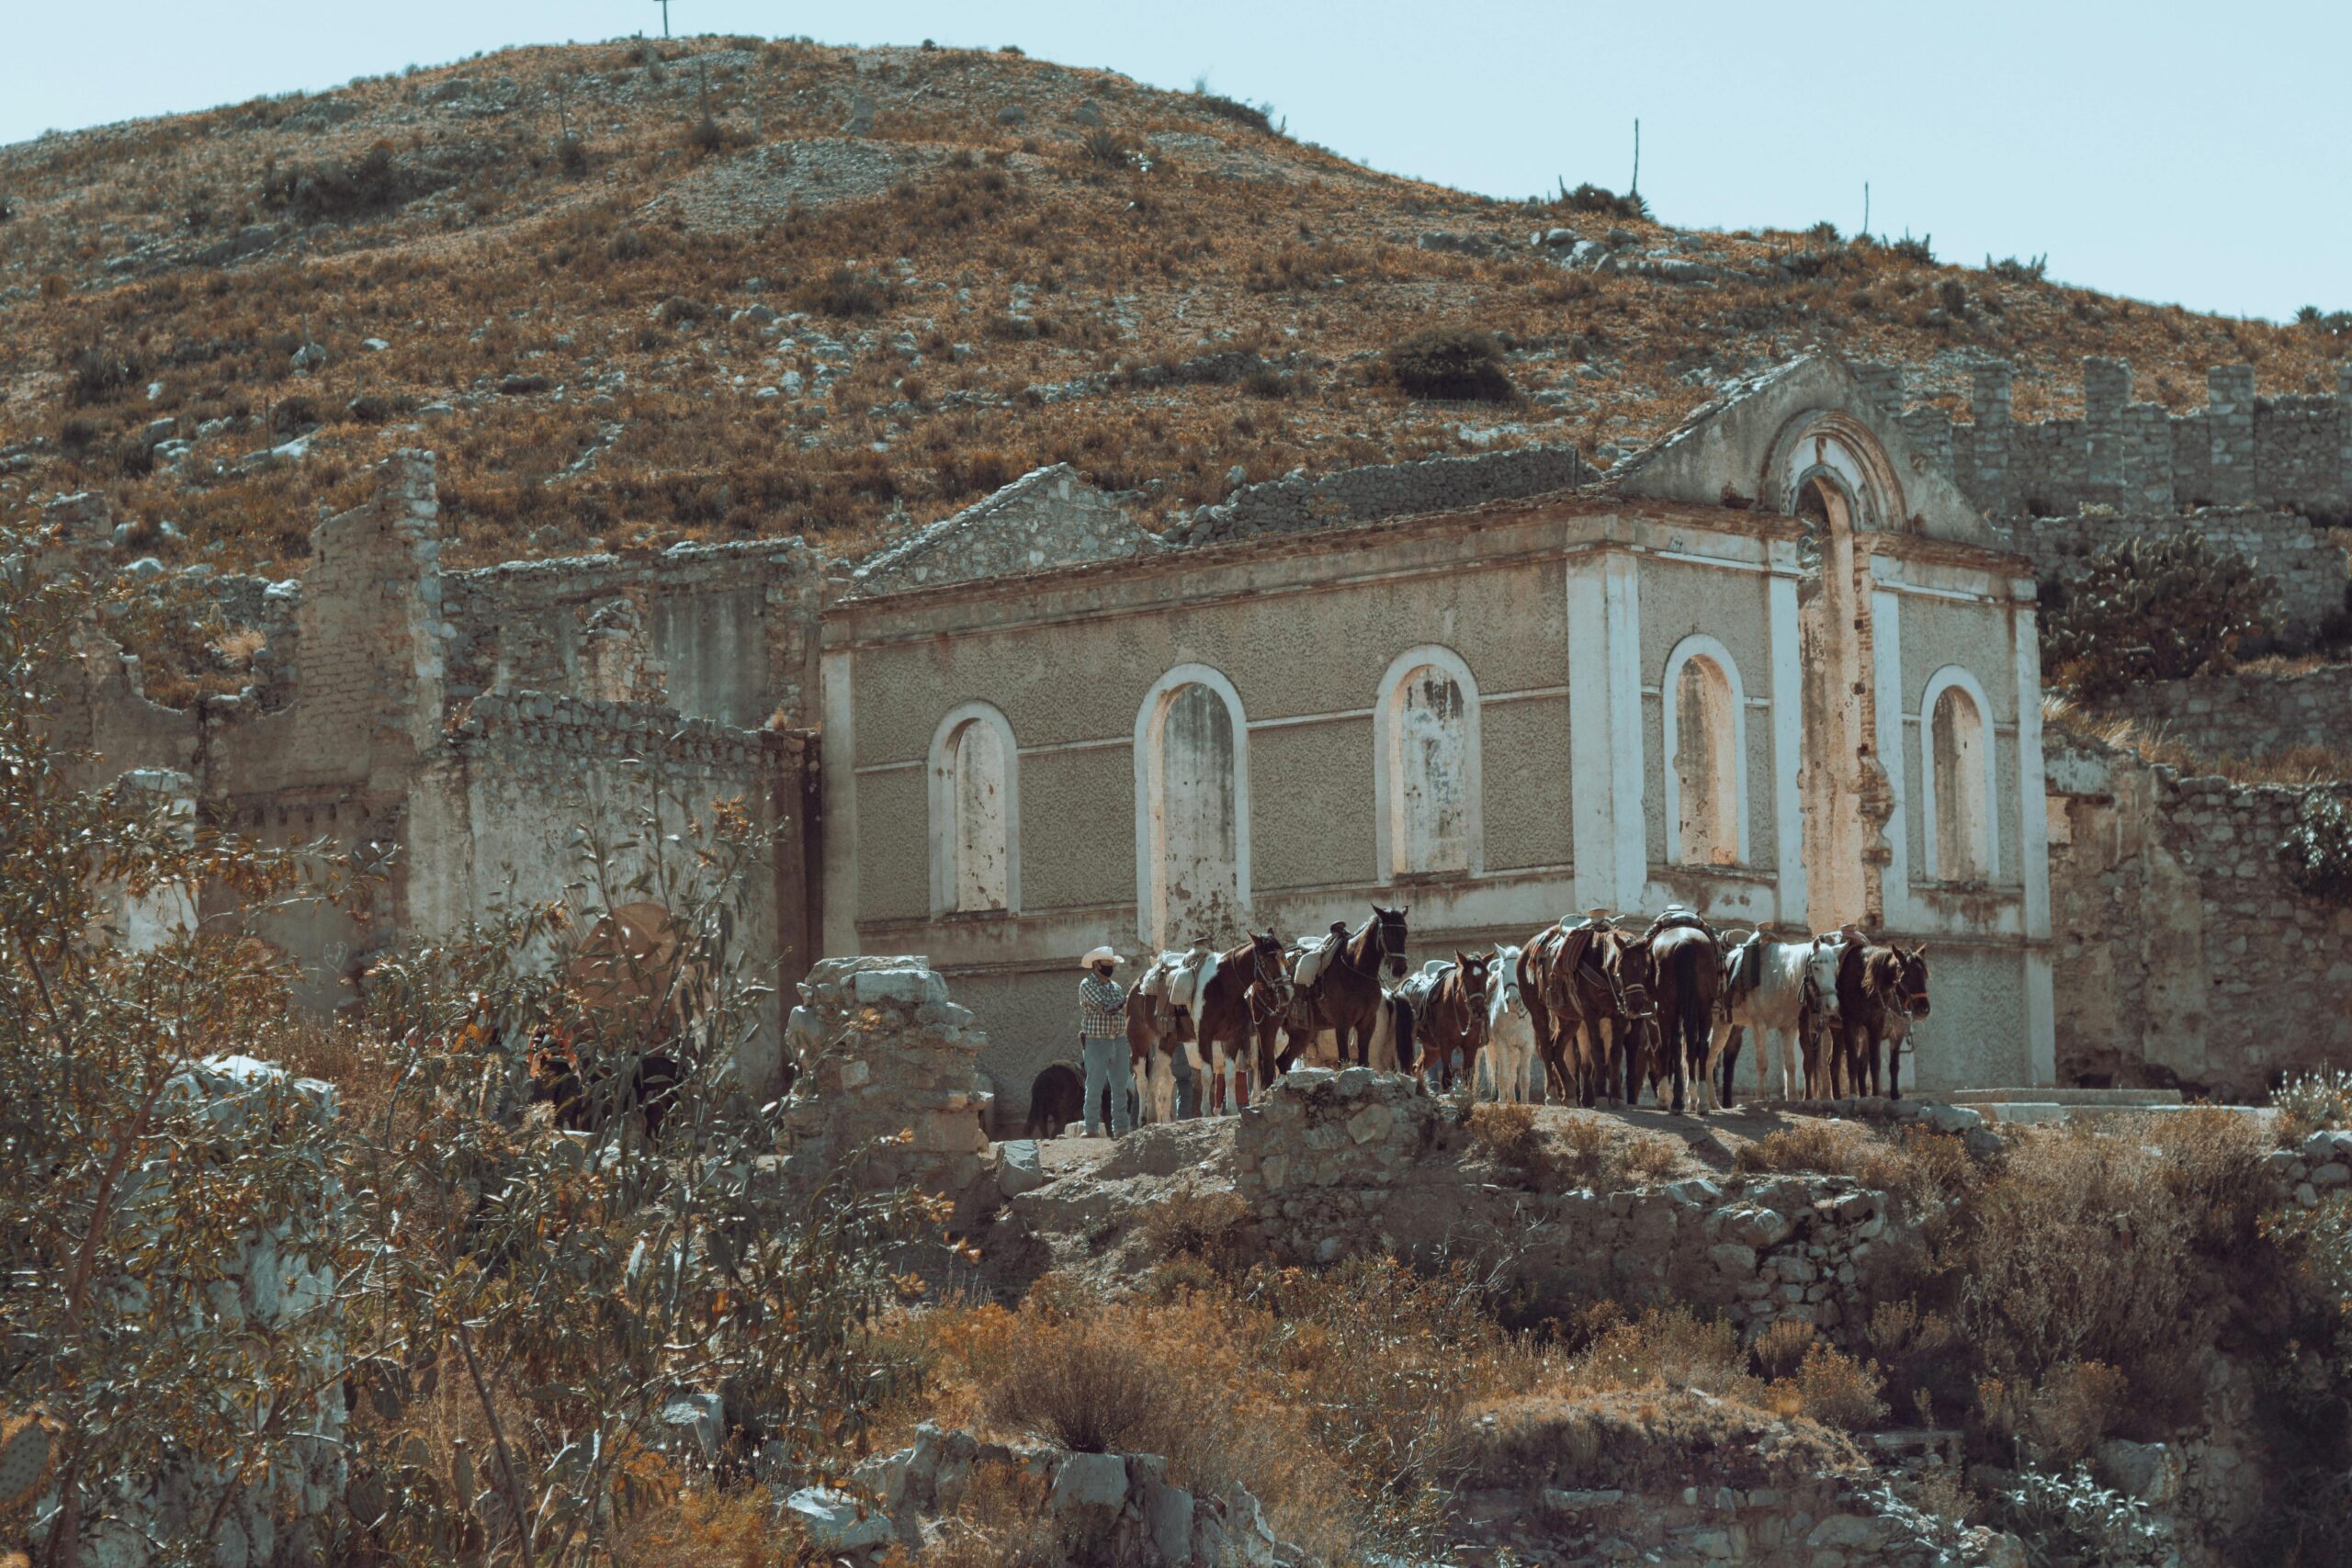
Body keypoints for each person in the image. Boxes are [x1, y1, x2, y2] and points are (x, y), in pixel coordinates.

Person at [1077, 945, 1132, 1137]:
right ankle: (1091, 1128)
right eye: (1107, 963)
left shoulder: (1115, 987)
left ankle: (1121, 1129)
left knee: (1120, 1087)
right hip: (1097, 1042)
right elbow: (1107, 1008)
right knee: (1094, 1087)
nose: (1110, 966)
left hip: (1118, 1040)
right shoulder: (1087, 985)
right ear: (1096, 965)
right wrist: (1127, 999)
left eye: (1111, 963)